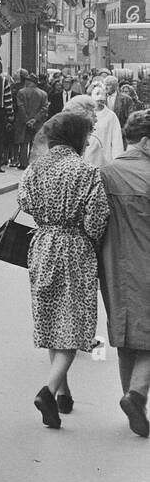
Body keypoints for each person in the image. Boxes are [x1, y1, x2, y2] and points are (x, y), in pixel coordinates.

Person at [17, 112, 110, 428]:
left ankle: (63, 395)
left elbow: (24, 202)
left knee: (53, 318)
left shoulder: (35, 169)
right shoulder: (86, 172)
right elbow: (97, 218)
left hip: (42, 245)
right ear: (77, 139)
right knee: (73, 322)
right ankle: (49, 390)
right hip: (75, 247)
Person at [99, 109, 150, 437]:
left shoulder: (107, 172)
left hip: (114, 264)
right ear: (145, 140)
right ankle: (136, 394)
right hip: (146, 260)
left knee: (124, 334)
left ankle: (133, 402)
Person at [13, 73, 48, 170]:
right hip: (37, 123)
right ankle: (33, 162)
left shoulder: (21, 92)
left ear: (29, 82)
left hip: (23, 122)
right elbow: (44, 108)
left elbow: (20, 107)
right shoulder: (43, 94)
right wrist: (34, 119)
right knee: (35, 143)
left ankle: (23, 163)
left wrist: (27, 120)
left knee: (24, 142)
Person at [85, 82, 125, 168]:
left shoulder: (111, 116)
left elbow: (117, 141)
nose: (99, 102)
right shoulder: (85, 115)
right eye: (97, 100)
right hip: (87, 158)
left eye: (101, 100)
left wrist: (117, 163)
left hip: (105, 160)